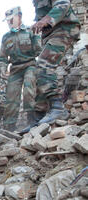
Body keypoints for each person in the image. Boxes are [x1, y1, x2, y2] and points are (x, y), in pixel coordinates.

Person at [28, 0, 81, 128]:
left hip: (65, 28)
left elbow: (63, 4)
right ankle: (39, 118)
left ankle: (58, 108)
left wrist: (47, 19)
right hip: (50, 34)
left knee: (44, 65)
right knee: (36, 72)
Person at [0, 7, 42, 132]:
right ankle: (9, 128)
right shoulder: (6, 37)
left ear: (20, 16)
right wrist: (2, 68)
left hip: (30, 65)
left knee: (29, 90)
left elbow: (38, 51)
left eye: (11, 19)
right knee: (11, 97)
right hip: (15, 69)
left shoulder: (30, 31)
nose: (9, 22)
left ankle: (32, 123)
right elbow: (2, 57)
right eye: (7, 21)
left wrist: (36, 38)